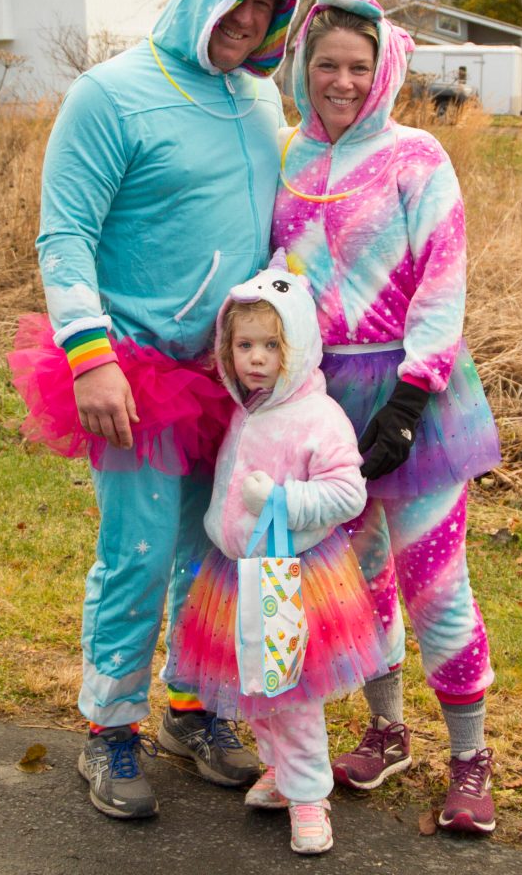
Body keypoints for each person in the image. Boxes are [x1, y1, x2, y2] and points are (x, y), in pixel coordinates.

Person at [8, 0, 314, 820]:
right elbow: (63, 234)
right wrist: (90, 357)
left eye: (266, 8)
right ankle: (108, 732)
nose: (248, 20)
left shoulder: (260, 99)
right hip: (132, 372)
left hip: (232, 378)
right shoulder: (109, 93)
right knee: (137, 556)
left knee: (213, 554)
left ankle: (193, 708)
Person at [272, 0, 502, 834]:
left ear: (382, 72)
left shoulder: (417, 157)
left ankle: (470, 758)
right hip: (321, 406)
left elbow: (443, 279)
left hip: (417, 405)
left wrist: (409, 396)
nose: (340, 80)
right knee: (357, 579)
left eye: (356, 67)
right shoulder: (289, 157)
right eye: (325, 65)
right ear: (303, 68)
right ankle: (385, 729)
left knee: (436, 585)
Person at [164, 254, 390, 854]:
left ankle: (311, 795)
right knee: (254, 689)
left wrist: (285, 500)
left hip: (292, 577)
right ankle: (281, 773)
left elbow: (348, 492)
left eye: (271, 344)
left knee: (290, 695)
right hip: (236, 571)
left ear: (300, 345)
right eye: (244, 345)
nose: (256, 358)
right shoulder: (248, 408)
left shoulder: (319, 416)